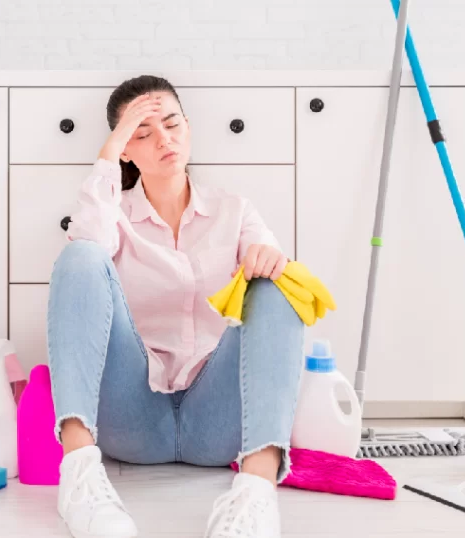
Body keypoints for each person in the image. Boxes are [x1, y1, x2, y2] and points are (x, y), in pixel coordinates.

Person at [47, 74, 304, 538]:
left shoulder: (234, 209)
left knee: (275, 279)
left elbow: (267, 268)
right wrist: (109, 153)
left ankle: (256, 495)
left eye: (171, 125)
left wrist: (263, 259)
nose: (163, 140)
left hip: (219, 416)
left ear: (188, 125)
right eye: (143, 134)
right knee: (81, 254)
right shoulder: (114, 215)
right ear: (126, 149)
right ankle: (79, 476)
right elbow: (86, 246)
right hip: (133, 416)